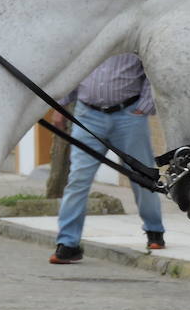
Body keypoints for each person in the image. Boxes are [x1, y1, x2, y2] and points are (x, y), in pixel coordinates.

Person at [47, 53, 165, 264]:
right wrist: (61, 107)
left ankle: (154, 230)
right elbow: (74, 72)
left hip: (129, 115)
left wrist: (145, 105)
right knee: (77, 179)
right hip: (88, 116)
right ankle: (67, 243)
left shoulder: (132, 40)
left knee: (142, 177)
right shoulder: (91, 38)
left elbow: (151, 70)